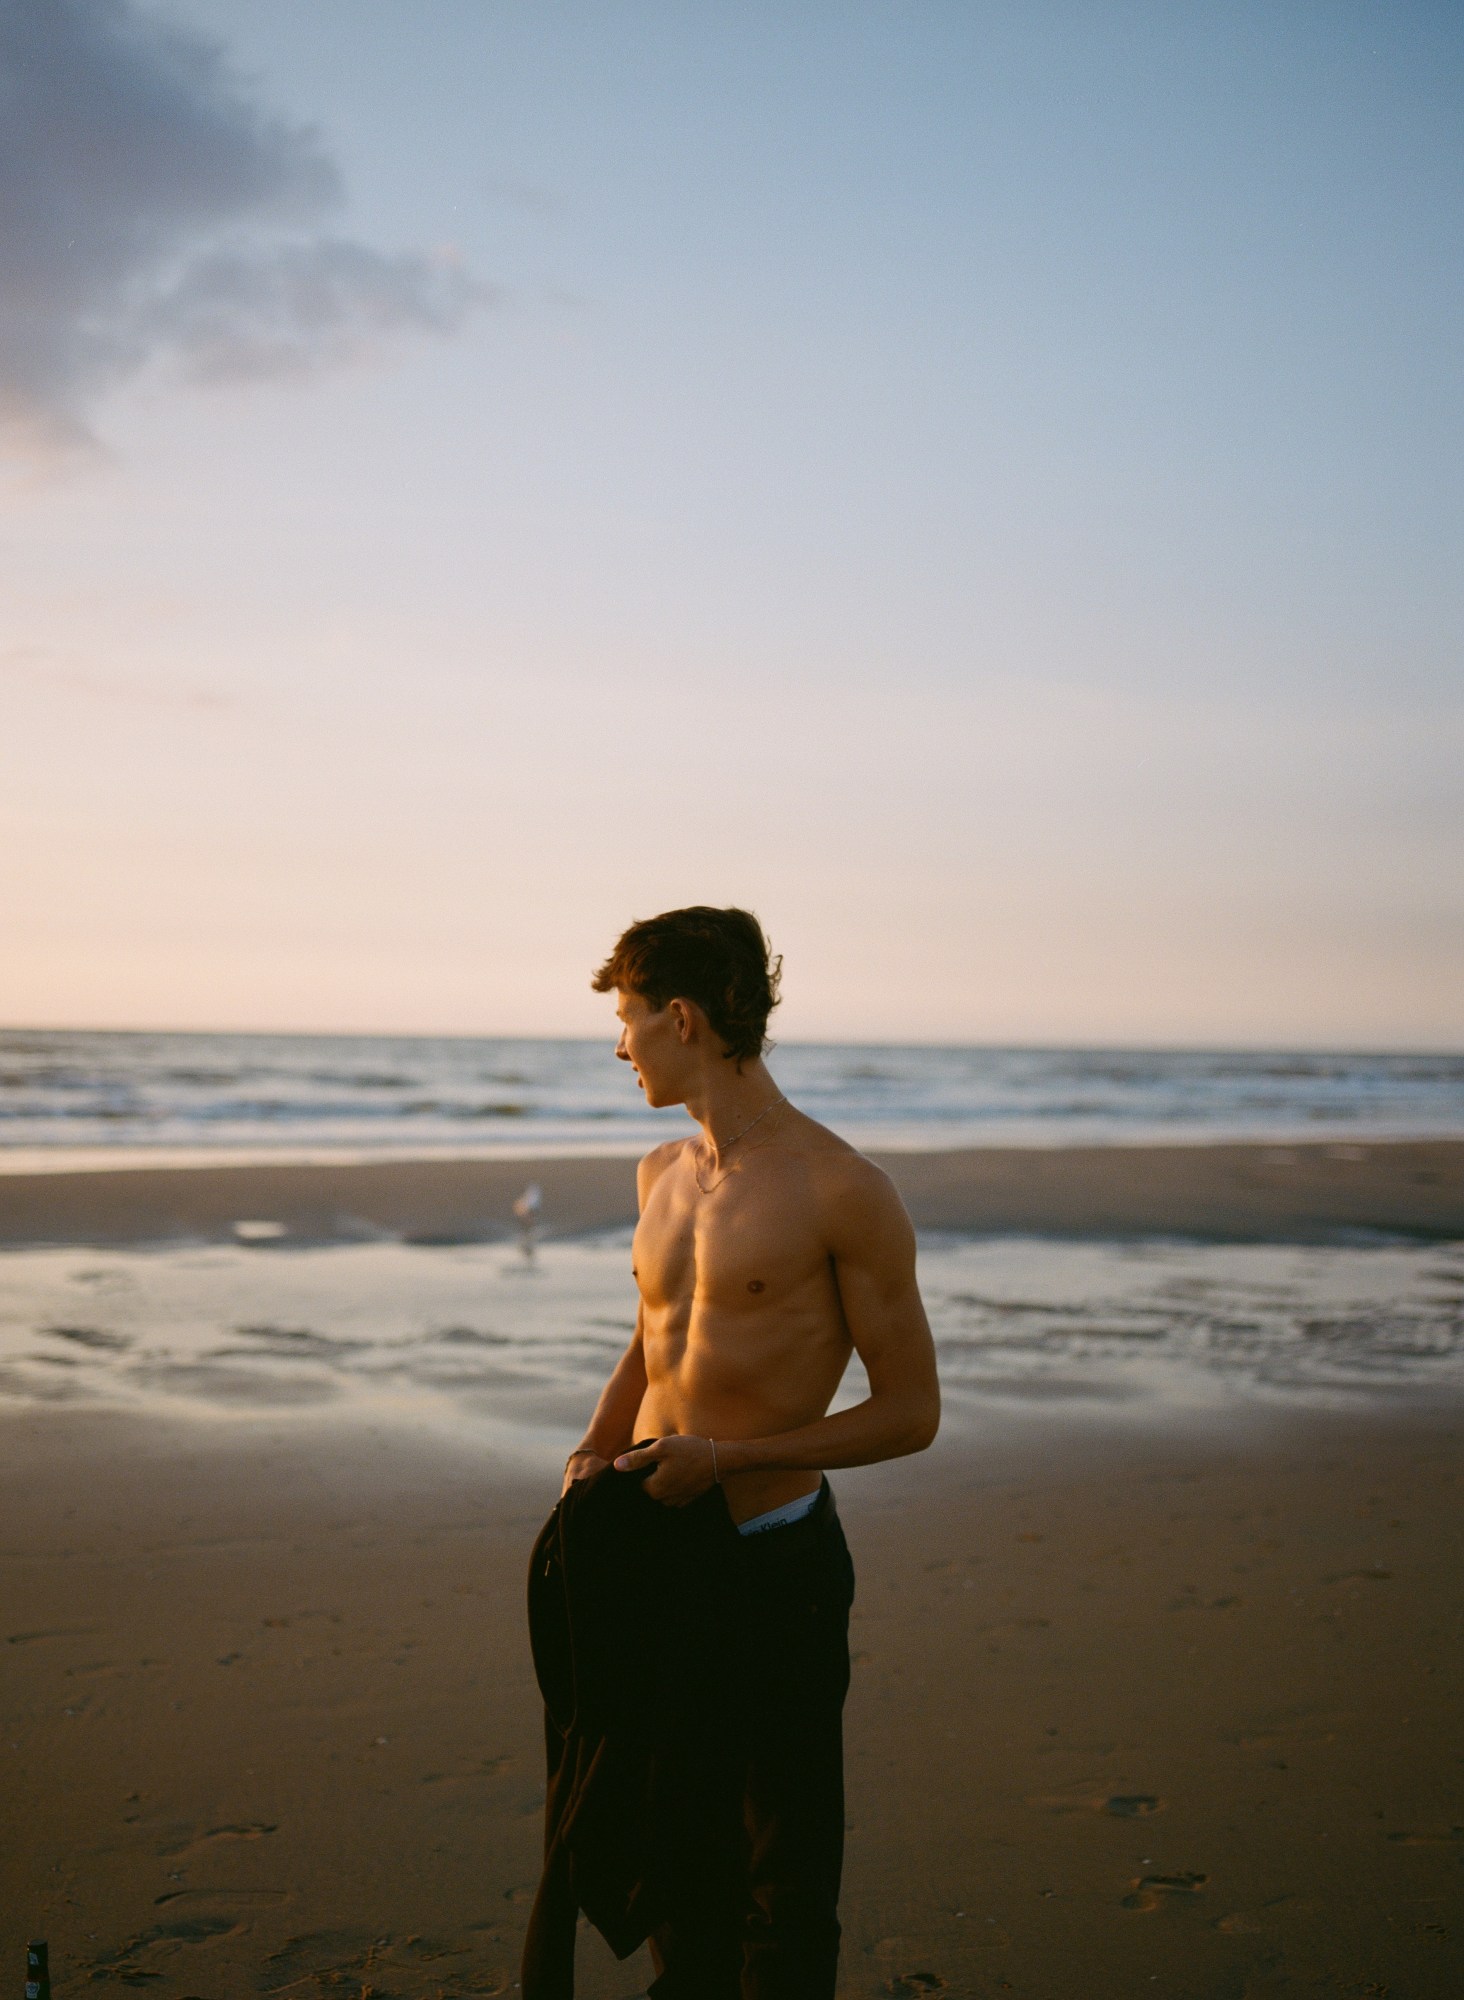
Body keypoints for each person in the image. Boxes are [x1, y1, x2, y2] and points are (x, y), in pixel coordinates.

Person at [540, 904, 940, 2000]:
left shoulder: (839, 1187)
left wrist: (721, 1458)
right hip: (658, 1551)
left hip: (772, 1566)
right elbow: (654, 1329)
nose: (619, 1046)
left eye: (627, 1020)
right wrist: (597, 1440)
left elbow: (911, 1410)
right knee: (676, 1853)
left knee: (783, 1869)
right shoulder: (659, 1171)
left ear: (681, 1018)